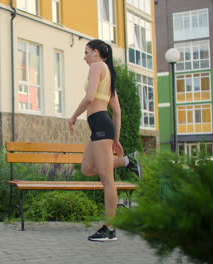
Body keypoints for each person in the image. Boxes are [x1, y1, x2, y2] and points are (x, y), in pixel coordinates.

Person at [68, 39, 141, 242]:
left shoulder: (97, 67)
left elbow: (90, 97)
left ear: (96, 52)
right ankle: (128, 161)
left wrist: (73, 116)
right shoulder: (108, 74)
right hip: (101, 127)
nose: (84, 57)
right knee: (87, 169)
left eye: (86, 52)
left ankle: (110, 229)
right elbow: (117, 112)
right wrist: (116, 138)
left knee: (107, 180)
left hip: (100, 124)